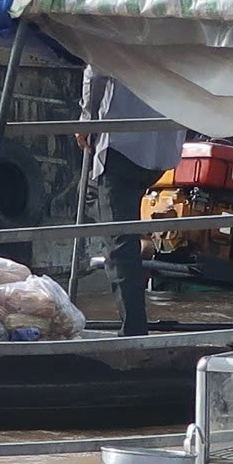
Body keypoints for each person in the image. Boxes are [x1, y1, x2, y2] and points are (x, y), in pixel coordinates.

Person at [79, 66, 183, 336]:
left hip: (122, 146)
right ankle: (138, 255)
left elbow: (97, 70)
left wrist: (86, 121)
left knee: (119, 243)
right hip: (162, 148)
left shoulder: (112, 27)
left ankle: (134, 329)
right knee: (98, 203)